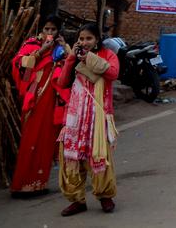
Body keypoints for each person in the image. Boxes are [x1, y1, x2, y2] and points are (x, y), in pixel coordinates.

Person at [57, 23, 119, 216]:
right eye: (81, 39)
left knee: (99, 155)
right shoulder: (74, 57)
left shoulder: (108, 55)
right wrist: (72, 59)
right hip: (75, 115)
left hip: (99, 114)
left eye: (89, 38)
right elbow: (62, 82)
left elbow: (112, 73)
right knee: (72, 157)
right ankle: (77, 199)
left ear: (97, 40)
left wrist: (89, 58)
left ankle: (105, 196)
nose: (85, 42)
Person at [10, 15, 71, 196]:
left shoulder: (60, 49)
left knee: (46, 139)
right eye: (46, 29)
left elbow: (71, 63)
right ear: (41, 30)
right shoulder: (32, 44)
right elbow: (18, 64)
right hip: (35, 98)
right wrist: (40, 51)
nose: (49, 33)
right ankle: (21, 184)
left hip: (52, 100)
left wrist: (65, 47)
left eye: (53, 30)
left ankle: (39, 184)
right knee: (30, 139)